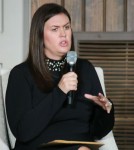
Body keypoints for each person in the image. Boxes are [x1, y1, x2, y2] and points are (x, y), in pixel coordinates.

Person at [5, 3, 114, 150]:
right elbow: (23, 132)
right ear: (40, 35)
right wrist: (60, 92)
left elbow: (97, 132)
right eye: (55, 29)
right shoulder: (21, 74)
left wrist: (105, 110)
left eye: (67, 27)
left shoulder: (85, 69)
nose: (63, 34)